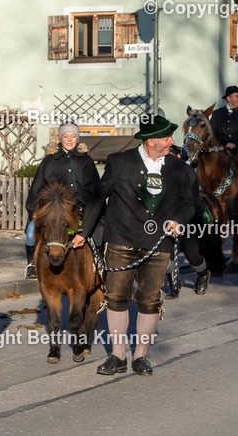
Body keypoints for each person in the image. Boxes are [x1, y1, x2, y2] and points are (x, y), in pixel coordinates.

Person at [75, 115, 195, 377]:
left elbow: (188, 204)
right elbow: (98, 198)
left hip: (159, 242)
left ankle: (141, 356)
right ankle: (117, 355)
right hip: (121, 240)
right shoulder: (119, 162)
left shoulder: (180, 169)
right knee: (116, 297)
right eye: (166, 138)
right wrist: (85, 232)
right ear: (151, 141)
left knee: (150, 300)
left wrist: (179, 220)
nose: (171, 142)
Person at [23, 122, 99, 279]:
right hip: (53, 210)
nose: (69, 140)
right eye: (66, 136)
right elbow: (36, 188)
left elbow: (94, 187)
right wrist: (35, 211)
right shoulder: (49, 161)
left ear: (77, 139)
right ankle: (32, 265)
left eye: (73, 136)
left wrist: (82, 203)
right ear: (60, 138)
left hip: (79, 209)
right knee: (31, 232)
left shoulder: (86, 161)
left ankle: (100, 263)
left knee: (99, 231)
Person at [164, 146, 210, 297]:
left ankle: (203, 275)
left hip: (191, 218)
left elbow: (186, 201)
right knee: (168, 253)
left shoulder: (187, 172)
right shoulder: (163, 171)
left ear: (179, 156)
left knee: (192, 255)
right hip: (170, 219)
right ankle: (174, 285)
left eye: (171, 156)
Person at [209, 84, 238, 163]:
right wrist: (223, 145)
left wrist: (235, 144)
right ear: (228, 98)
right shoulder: (217, 114)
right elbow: (211, 133)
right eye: (236, 96)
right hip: (219, 151)